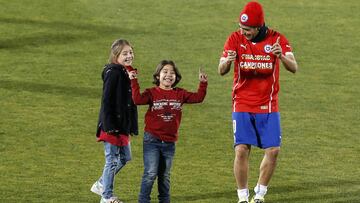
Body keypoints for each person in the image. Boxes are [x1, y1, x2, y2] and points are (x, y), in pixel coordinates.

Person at [218, 2, 298, 203]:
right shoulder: (234, 38)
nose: (243, 32)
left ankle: (260, 194)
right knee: (241, 149)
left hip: (268, 103)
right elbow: (221, 69)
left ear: (259, 27)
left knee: (273, 150)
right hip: (242, 102)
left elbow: (294, 67)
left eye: (247, 29)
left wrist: (281, 57)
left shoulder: (277, 39)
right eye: (241, 28)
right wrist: (227, 61)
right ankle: (242, 197)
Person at [128, 60, 208, 203]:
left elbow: (198, 98)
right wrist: (133, 80)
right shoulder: (151, 93)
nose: (169, 75)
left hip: (169, 142)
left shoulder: (180, 93)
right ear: (158, 76)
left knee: (164, 175)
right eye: (165, 71)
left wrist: (203, 83)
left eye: (172, 73)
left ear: (176, 78)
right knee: (150, 173)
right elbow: (137, 99)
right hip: (152, 140)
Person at [91, 39, 139, 203]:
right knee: (111, 161)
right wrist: (109, 126)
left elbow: (131, 101)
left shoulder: (126, 73)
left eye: (130, 52)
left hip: (122, 126)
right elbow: (107, 101)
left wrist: (132, 125)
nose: (129, 56)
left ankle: (101, 183)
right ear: (116, 55)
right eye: (125, 53)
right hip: (112, 126)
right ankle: (106, 197)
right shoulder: (114, 73)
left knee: (125, 157)